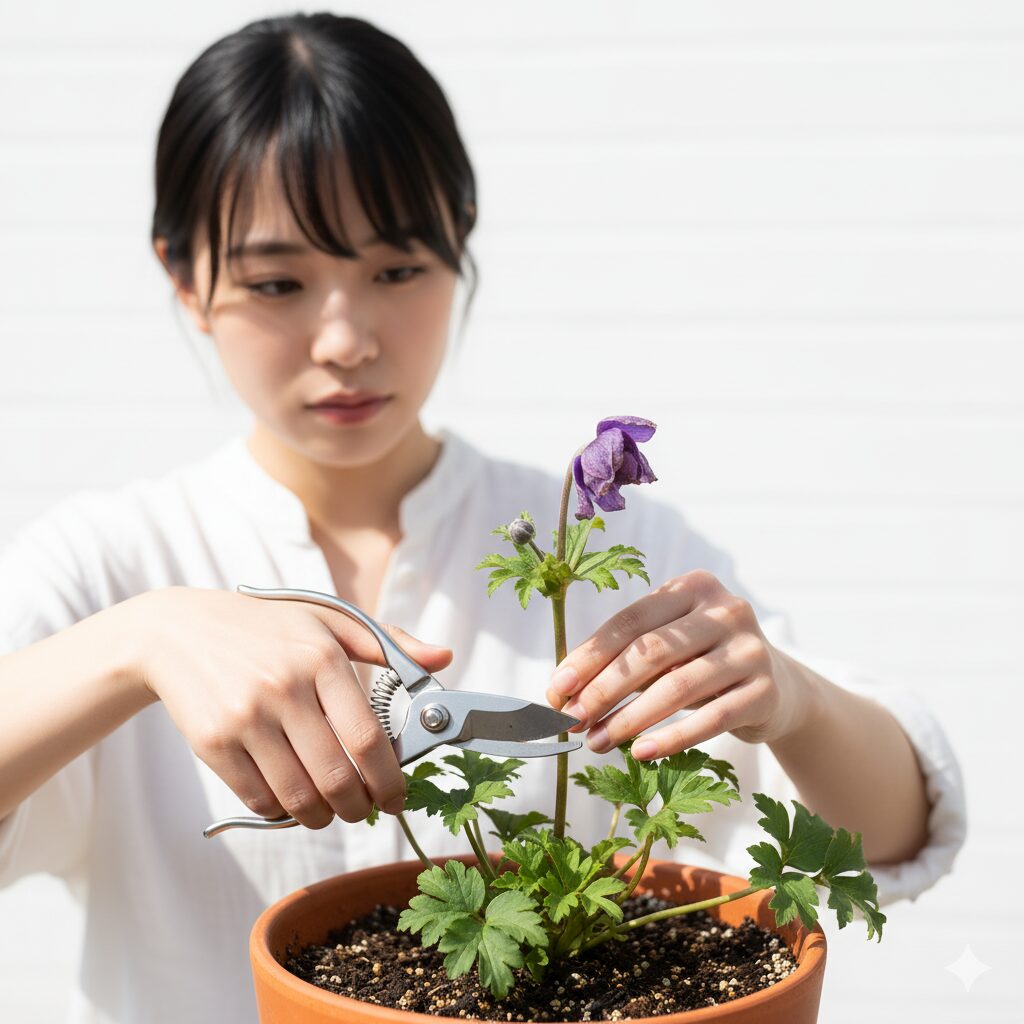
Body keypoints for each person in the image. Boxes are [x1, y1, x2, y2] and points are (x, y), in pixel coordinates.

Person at [0, 12, 966, 1024]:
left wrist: (798, 701)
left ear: (459, 242)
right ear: (183, 277)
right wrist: (134, 642)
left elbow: (890, 834)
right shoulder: (103, 565)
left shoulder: (618, 559)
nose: (344, 340)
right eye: (277, 281)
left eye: (397, 269)